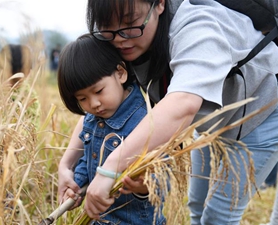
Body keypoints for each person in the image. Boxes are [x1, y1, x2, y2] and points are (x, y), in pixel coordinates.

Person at [57, 0, 278, 224]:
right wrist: (66, 164)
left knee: (219, 215)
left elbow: (183, 103)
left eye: (130, 23)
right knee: (197, 205)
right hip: (209, 120)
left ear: (159, 4)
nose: (120, 38)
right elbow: (97, 109)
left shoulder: (200, 28)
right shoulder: (121, 37)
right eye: (107, 29)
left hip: (261, 113)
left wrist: (109, 169)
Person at [57, 33, 166, 225]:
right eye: (82, 99)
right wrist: (77, 183)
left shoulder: (145, 122)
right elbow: (89, 159)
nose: (94, 103)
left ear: (121, 73)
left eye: (98, 91)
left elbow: (164, 182)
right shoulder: (94, 119)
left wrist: (143, 186)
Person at [0, 44, 40, 127]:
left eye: (16, 80)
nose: (10, 84)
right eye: (7, 76)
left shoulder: (29, 96)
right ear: (1, 68)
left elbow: (33, 127)